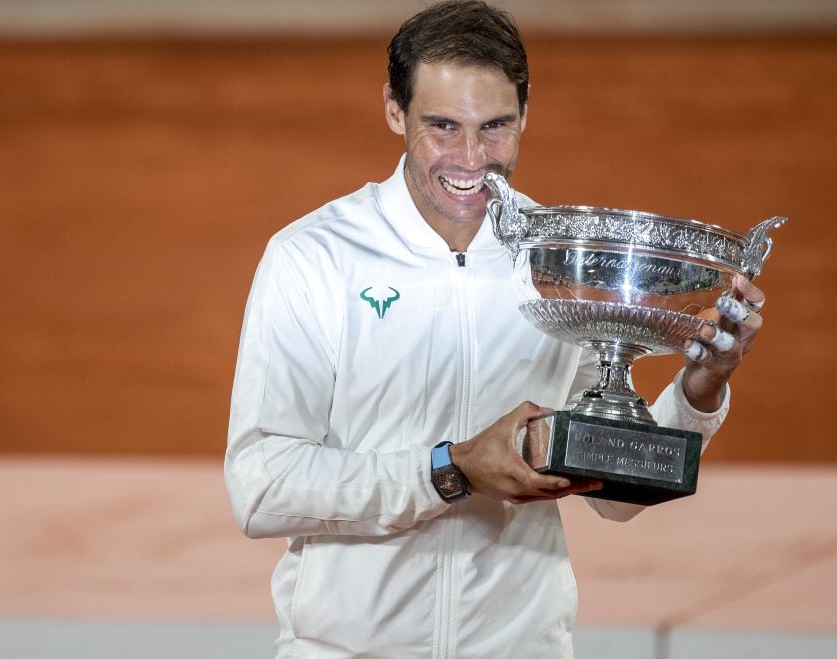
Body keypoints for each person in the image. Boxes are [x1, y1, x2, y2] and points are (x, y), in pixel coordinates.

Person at [224, 1, 766, 656]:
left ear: (526, 116)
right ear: (395, 111)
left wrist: (700, 388)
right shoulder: (314, 257)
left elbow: (617, 495)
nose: (472, 158)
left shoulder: (559, 258)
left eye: (496, 126)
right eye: (443, 126)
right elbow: (262, 485)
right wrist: (449, 470)